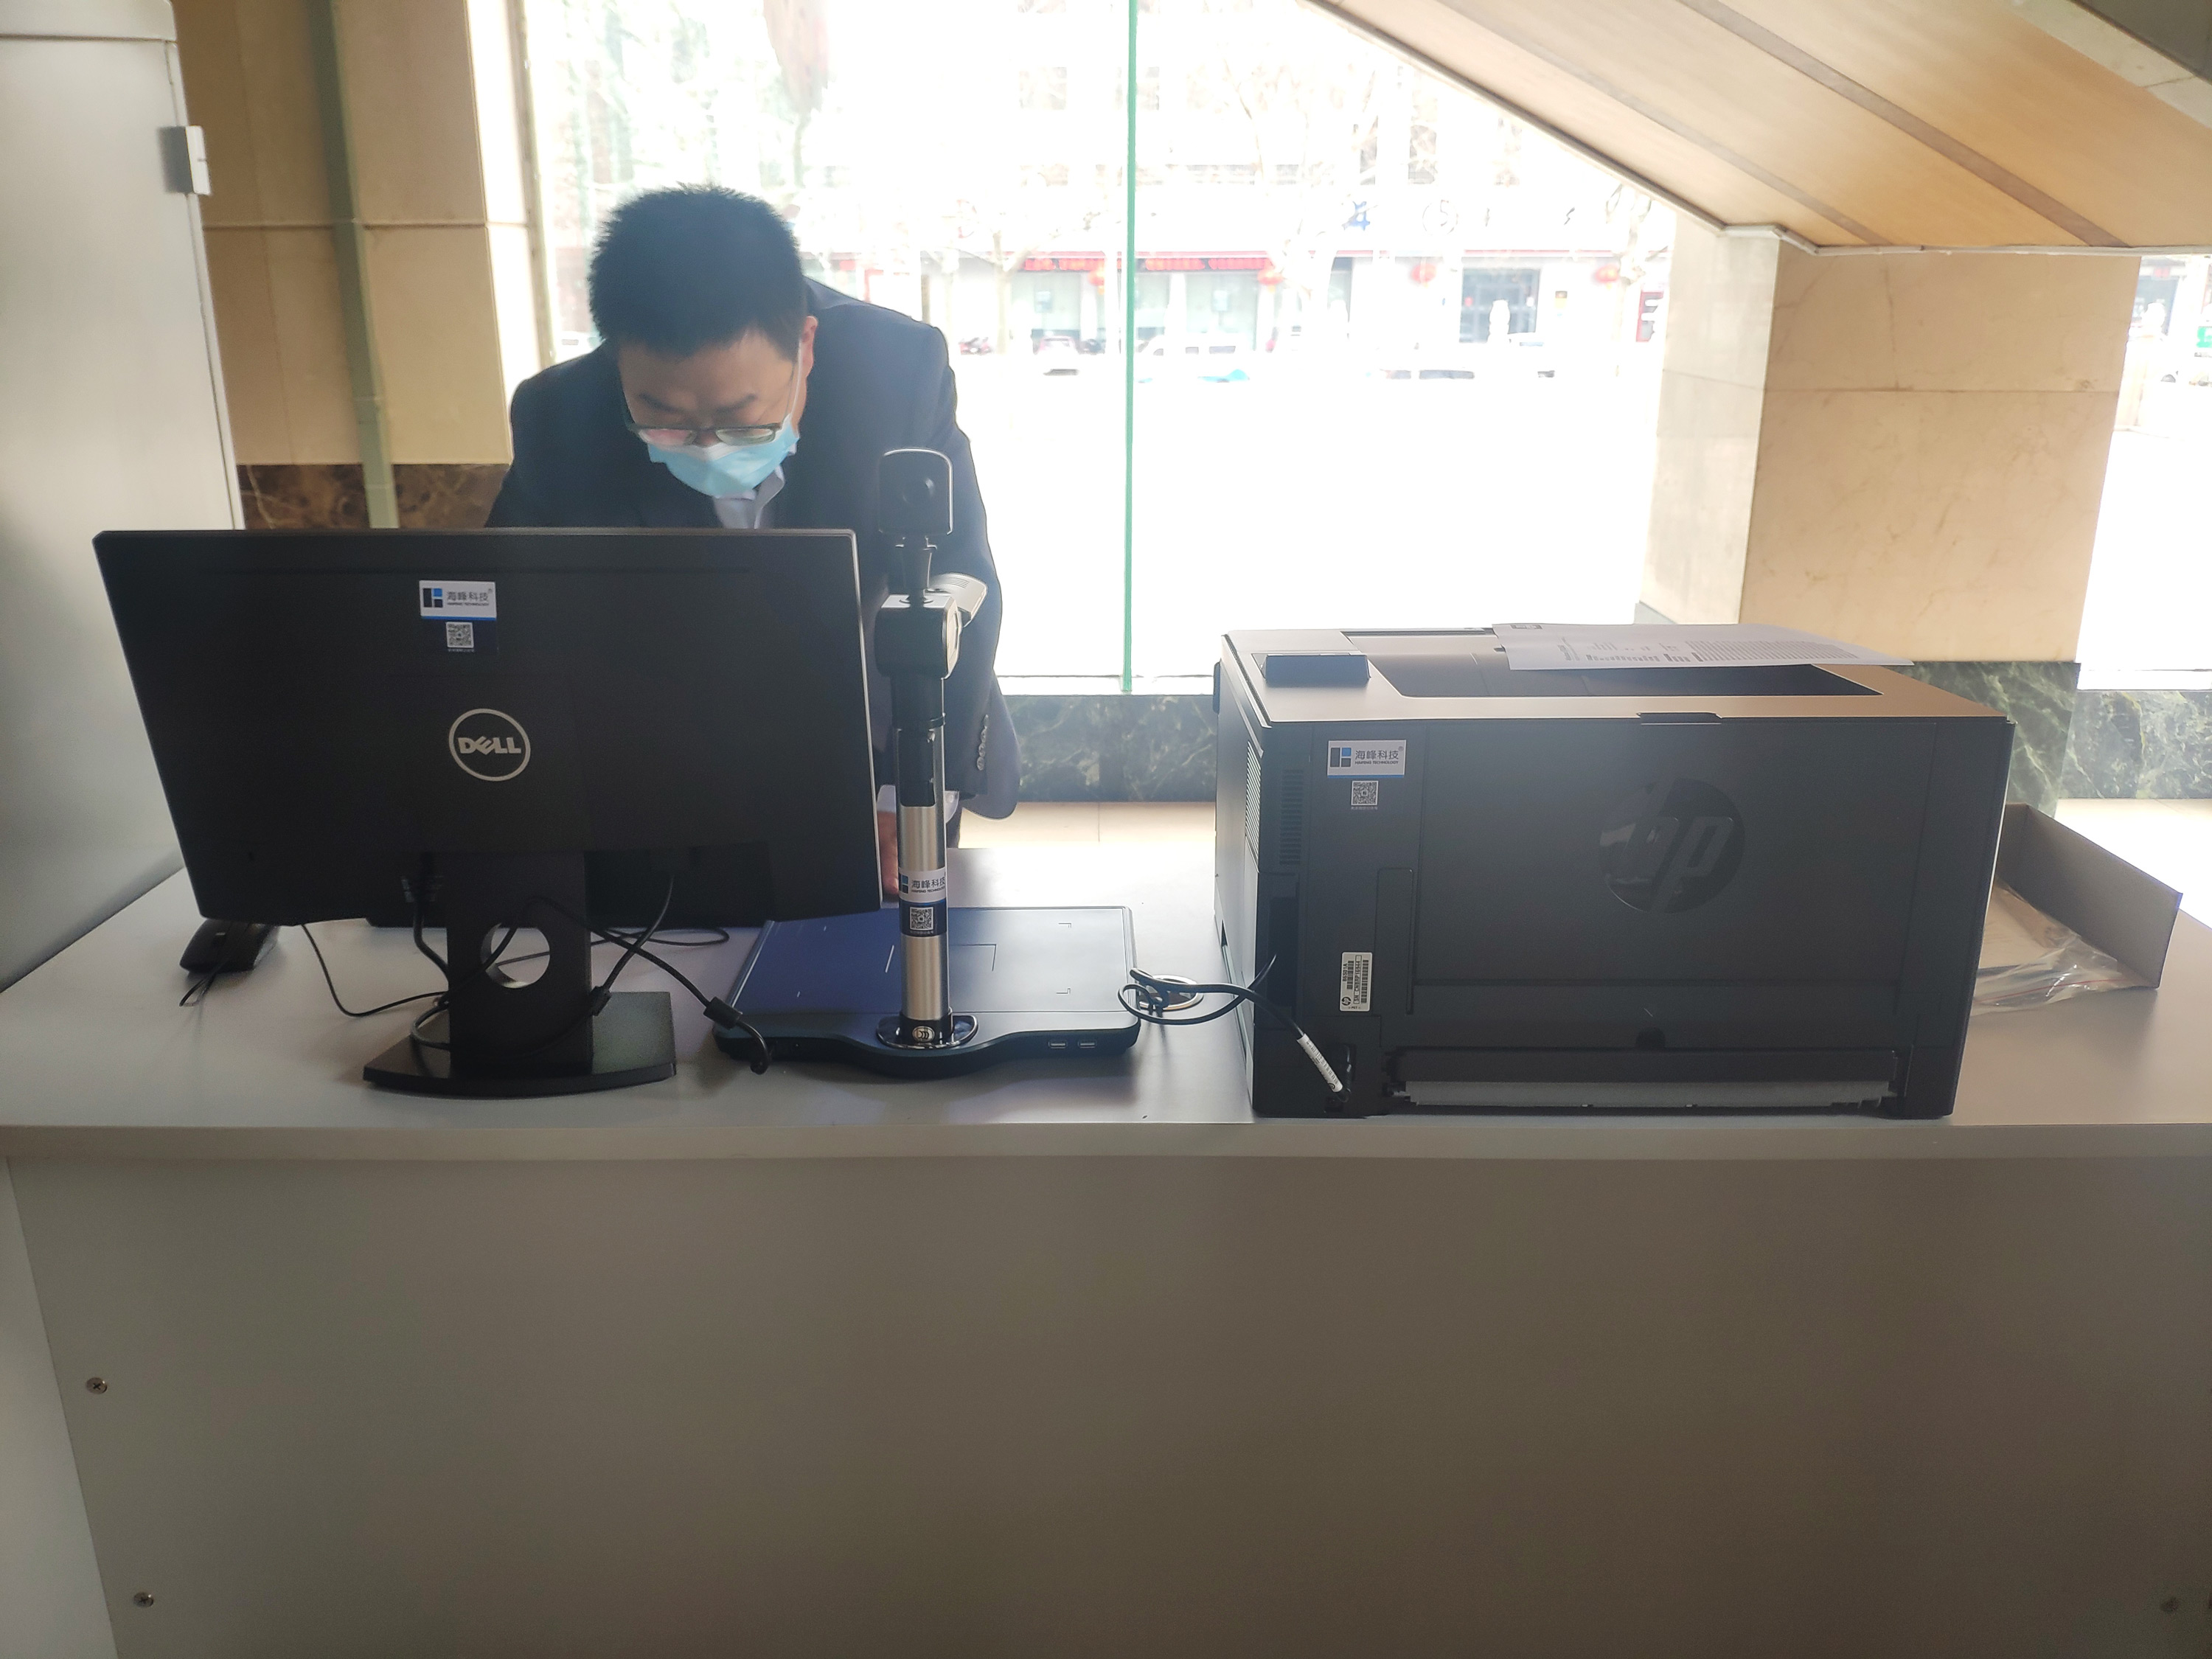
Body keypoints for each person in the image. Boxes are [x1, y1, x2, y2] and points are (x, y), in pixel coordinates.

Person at [487, 187, 1015, 894]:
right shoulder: (561, 417)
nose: (707, 446)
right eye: (665, 419)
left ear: (806, 346)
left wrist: (911, 796)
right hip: (669, 765)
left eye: (744, 419)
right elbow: (511, 613)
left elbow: (959, 576)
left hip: (882, 743)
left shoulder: (894, 373)